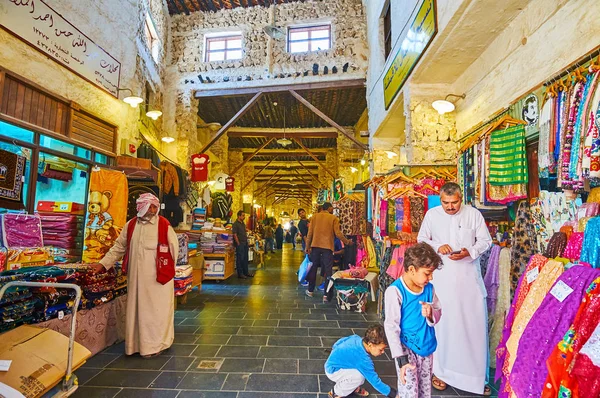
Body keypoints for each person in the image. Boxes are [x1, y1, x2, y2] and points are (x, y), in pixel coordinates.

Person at [417, 182, 492, 396]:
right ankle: (441, 373)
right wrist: (436, 247)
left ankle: (476, 378)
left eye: (454, 202)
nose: (450, 207)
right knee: (444, 326)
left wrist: (469, 251)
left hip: (469, 281)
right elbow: (421, 240)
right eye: (446, 203)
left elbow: (486, 241)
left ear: (462, 198)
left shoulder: (473, 214)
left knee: (473, 327)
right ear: (440, 200)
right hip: (443, 280)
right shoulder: (432, 215)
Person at [89, 193, 178, 358]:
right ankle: (135, 345)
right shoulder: (131, 225)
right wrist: (103, 264)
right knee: (137, 312)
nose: (152, 210)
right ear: (141, 207)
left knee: (156, 312)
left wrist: (167, 272)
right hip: (136, 280)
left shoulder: (164, 225)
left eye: (154, 207)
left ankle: (157, 344)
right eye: (149, 206)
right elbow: (119, 247)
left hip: (158, 281)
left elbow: (174, 250)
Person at [384, 242, 443, 398]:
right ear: (411, 269)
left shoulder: (430, 289)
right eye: (427, 273)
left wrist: (431, 313)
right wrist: (401, 359)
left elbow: (438, 312)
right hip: (407, 351)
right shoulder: (395, 291)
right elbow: (391, 326)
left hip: (427, 349)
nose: (430, 277)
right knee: (409, 393)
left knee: (425, 391)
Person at [325, 325, 397, 398]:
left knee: (360, 371)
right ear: (370, 344)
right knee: (360, 377)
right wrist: (394, 394)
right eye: (381, 349)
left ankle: (352, 387)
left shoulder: (356, 338)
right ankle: (335, 392)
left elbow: (340, 341)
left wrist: (335, 351)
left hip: (331, 363)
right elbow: (375, 382)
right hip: (333, 370)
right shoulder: (364, 360)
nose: (383, 352)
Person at [305, 202, 352, 301]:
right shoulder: (333, 218)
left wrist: (307, 246)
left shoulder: (314, 217)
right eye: (332, 208)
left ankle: (310, 290)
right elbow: (338, 234)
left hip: (315, 246)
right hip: (327, 247)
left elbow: (310, 233)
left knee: (313, 268)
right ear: (329, 208)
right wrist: (347, 242)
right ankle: (326, 295)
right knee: (328, 270)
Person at [232, 210, 254, 279]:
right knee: (240, 259)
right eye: (243, 215)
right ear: (239, 216)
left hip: (245, 243)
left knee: (245, 258)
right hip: (240, 243)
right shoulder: (235, 224)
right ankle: (240, 273)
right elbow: (235, 234)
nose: (244, 217)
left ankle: (246, 272)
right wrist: (238, 243)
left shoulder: (243, 223)